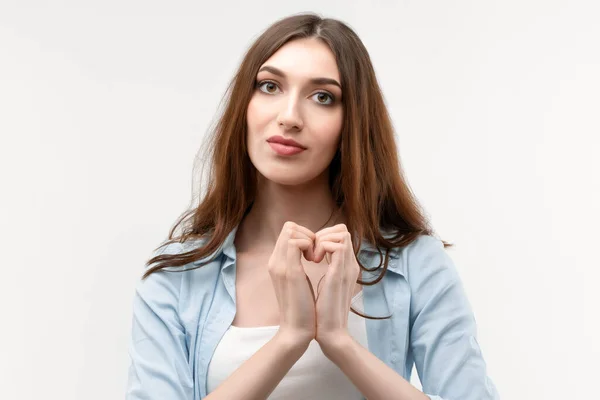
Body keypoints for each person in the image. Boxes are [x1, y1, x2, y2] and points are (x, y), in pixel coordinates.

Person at [126, 12, 500, 400]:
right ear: (244, 105)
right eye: (270, 86)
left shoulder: (414, 264)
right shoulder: (178, 273)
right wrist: (289, 340)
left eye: (323, 97)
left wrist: (340, 343)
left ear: (352, 122)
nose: (288, 117)